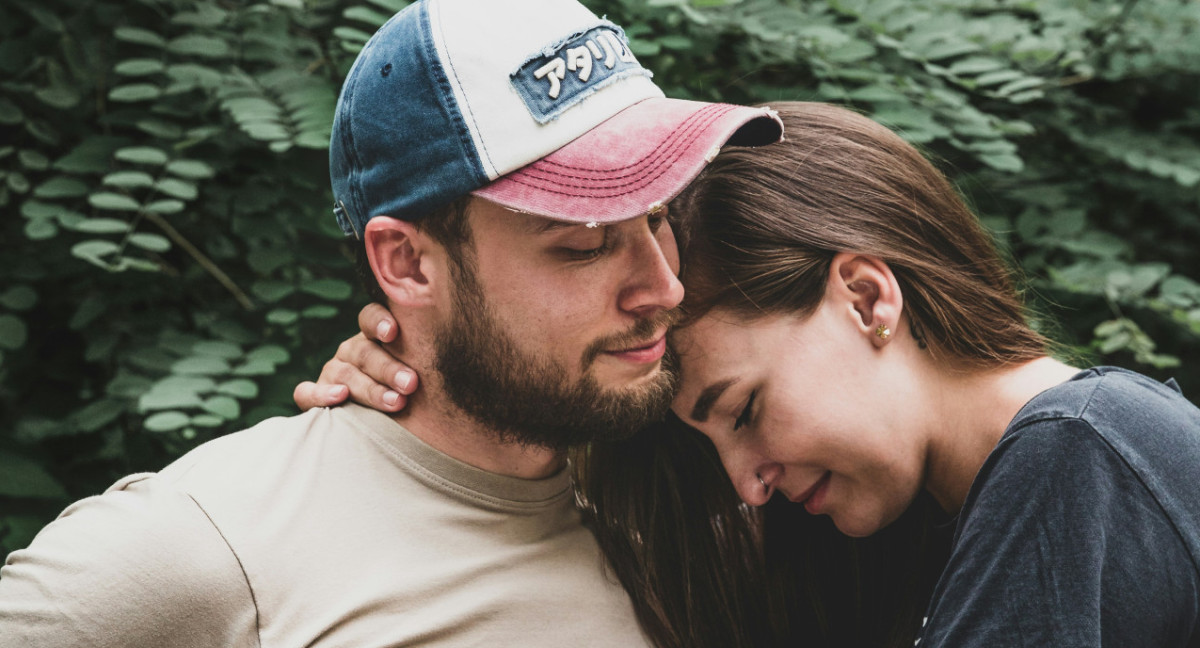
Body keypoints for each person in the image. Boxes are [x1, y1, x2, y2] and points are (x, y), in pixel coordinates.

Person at [0, 0, 782, 645]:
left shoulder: (687, 515)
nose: (663, 284)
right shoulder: (219, 539)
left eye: (658, 216)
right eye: (583, 244)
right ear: (407, 265)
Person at [304, 102, 1200, 647]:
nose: (749, 482)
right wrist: (428, 390)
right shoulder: (922, 534)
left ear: (865, 297)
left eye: (743, 410)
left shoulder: (1079, 457)